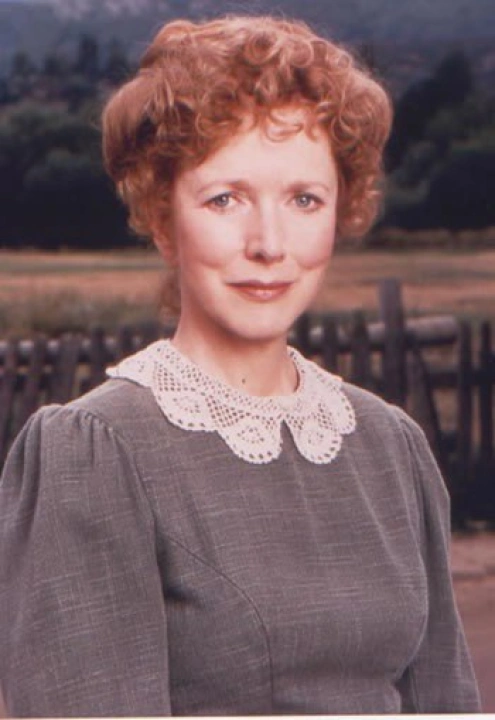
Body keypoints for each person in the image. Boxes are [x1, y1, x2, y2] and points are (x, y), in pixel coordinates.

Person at [0, 15, 481, 717]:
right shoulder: (97, 452)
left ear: (341, 211)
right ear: (162, 216)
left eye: (304, 200)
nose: (268, 243)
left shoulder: (391, 447)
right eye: (225, 199)